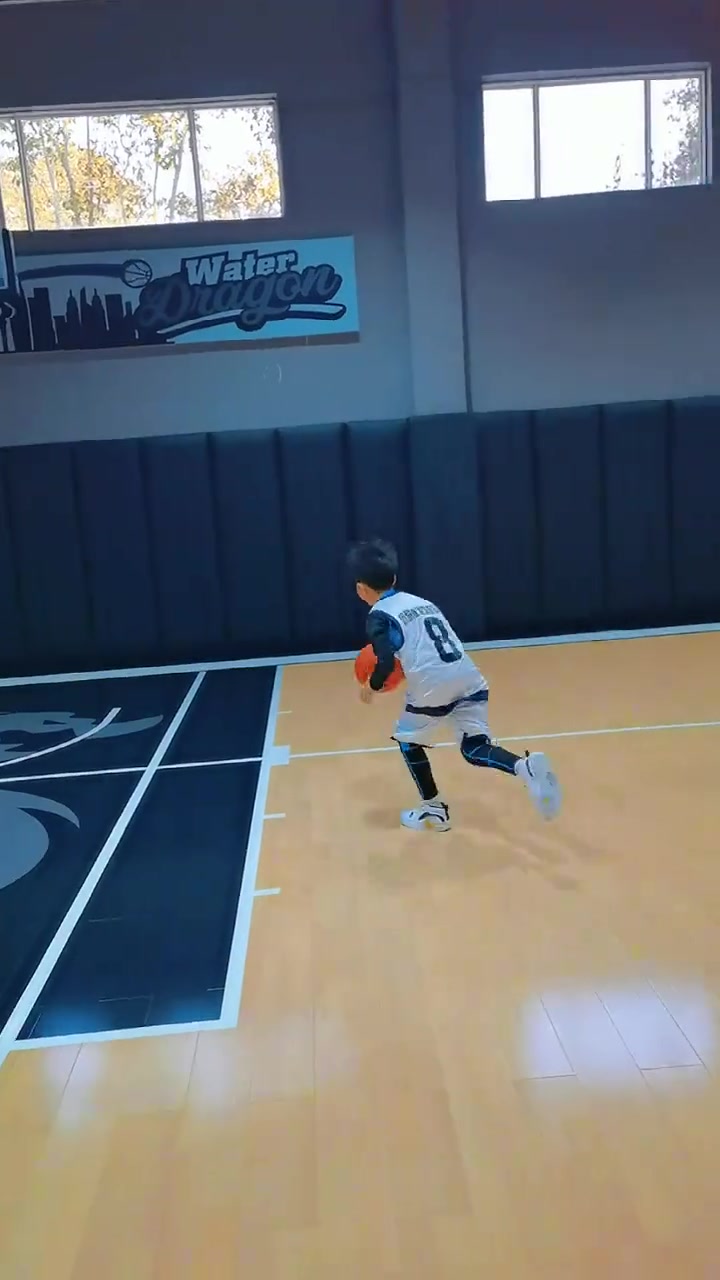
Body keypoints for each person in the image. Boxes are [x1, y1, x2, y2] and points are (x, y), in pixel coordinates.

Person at [348, 538, 562, 832]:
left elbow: (384, 662)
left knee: (408, 741)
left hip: (432, 685)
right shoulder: (421, 603)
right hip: (468, 676)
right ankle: (523, 767)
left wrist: (371, 687)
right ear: (394, 579)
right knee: (474, 747)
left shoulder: (379, 616)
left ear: (361, 589)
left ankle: (433, 810)